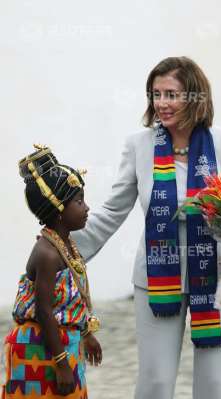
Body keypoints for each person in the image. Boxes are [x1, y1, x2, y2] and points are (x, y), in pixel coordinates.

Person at [72, 56, 221, 399]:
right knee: (155, 382)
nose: (161, 104)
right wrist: (63, 245)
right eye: (156, 94)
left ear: (195, 97)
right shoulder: (138, 145)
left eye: (171, 94)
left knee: (215, 385)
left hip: (219, 278)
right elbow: (113, 210)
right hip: (156, 278)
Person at [2, 145, 102, 398]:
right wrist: (61, 364)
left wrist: (86, 334)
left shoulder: (65, 244)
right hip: (42, 351)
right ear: (59, 210)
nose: (87, 207)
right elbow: (45, 311)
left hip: (66, 345)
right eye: (79, 201)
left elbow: (71, 298)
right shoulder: (47, 253)